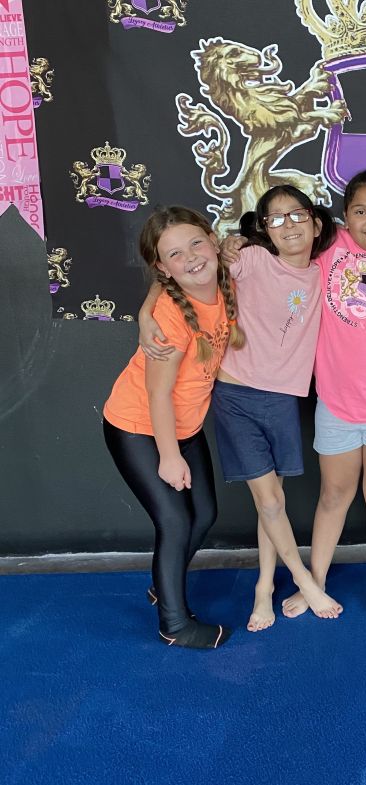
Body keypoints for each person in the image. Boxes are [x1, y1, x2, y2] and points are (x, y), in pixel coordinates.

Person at [138, 187, 343, 630]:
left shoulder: (326, 268)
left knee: (274, 503)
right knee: (268, 501)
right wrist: (145, 312)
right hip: (236, 398)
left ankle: (264, 586)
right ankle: (302, 579)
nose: (288, 225)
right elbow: (182, 272)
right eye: (276, 219)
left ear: (316, 223)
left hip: (283, 400)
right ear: (265, 229)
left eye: (297, 215)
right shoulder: (251, 260)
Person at [103, 206, 244, 649]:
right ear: (163, 267)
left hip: (185, 426)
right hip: (138, 426)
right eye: (175, 254)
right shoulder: (169, 317)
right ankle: (175, 625)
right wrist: (168, 456)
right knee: (175, 521)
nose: (191, 257)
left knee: (204, 514)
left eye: (196, 243)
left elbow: (220, 255)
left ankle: (164, 584)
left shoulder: (223, 280)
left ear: (213, 240)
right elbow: (157, 394)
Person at [282, 168, 366, 620]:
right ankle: (316, 580)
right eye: (361, 211)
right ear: (344, 218)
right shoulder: (328, 249)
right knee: (333, 495)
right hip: (337, 402)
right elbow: (266, 242)